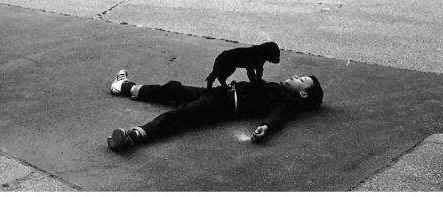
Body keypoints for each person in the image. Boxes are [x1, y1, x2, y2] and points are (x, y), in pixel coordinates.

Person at [106, 69, 323, 150]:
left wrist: (265, 127)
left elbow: (279, 116)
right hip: (220, 93)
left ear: (303, 94)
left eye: (301, 80)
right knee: (175, 90)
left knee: (181, 115)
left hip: (222, 105)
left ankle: (134, 136)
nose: (295, 76)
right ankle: (125, 86)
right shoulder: (279, 89)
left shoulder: (287, 102)